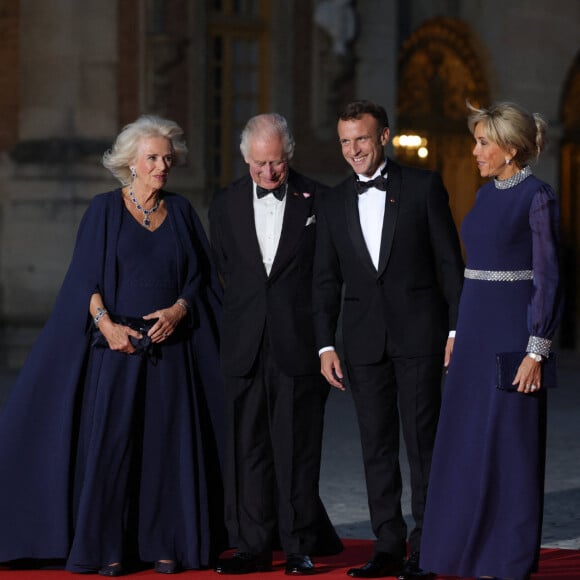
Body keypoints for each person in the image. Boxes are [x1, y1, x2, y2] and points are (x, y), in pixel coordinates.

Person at [0, 115, 227, 576]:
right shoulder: (103, 210)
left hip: (171, 350)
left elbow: (199, 275)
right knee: (113, 450)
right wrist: (107, 327)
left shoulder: (181, 211)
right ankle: (107, 546)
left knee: (167, 450)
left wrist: (180, 309)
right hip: (117, 351)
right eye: (152, 158)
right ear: (130, 163)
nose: (162, 165)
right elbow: (84, 279)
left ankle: (168, 543)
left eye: (167, 158)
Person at [312, 100, 464, 579]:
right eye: (345, 141)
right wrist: (325, 344)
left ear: (383, 137)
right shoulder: (333, 201)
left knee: (423, 446)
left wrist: (457, 329)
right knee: (375, 445)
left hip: (421, 336)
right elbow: (325, 281)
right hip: (362, 343)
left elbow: (448, 265)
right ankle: (388, 544)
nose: (353, 149)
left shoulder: (423, 187)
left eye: (361, 138)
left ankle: (428, 545)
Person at [419, 102, 562, 580]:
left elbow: (549, 279)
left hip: (512, 340)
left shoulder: (538, 197)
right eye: (476, 140)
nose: (475, 150)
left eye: (483, 142)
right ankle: (458, 553)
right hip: (474, 335)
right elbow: (472, 273)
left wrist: (536, 349)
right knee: (464, 443)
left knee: (510, 448)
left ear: (511, 148)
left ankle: (505, 559)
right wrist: (457, 331)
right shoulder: (484, 197)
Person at [209, 113, 343, 576]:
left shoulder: (320, 200)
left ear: (289, 155)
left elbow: (328, 277)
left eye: (277, 164)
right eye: (260, 164)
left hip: (298, 345)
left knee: (297, 449)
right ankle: (251, 546)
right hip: (243, 345)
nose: (269, 173)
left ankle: (299, 545)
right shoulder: (224, 204)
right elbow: (225, 270)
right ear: (246, 158)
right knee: (247, 448)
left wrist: (327, 342)